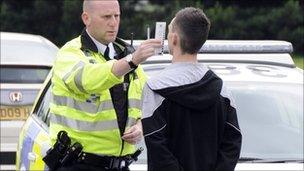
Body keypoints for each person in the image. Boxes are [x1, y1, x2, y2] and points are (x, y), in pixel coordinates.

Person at [48, 0, 161, 170]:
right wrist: (132, 60)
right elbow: (89, 80)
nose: (113, 22)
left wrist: (140, 126)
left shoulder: (126, 53)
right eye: (106, 16)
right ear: (86, 18)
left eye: (117, 16)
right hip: (78, 164)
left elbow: (148, 103)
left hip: (121, 164)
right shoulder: (70, 53)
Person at [141, 7, 242, 171]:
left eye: (168, 32)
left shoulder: (155, 88)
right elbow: (232, 143)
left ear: (174, 39)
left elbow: (157, 146)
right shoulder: (222, 89)